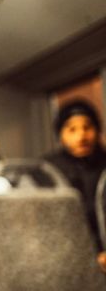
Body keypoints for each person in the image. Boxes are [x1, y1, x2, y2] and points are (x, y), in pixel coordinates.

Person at [43, 99, 106, 270]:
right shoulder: (49, 170)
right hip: (68, 259)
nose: (81, 136)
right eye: (72, 129)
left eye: (87, 127)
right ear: (60, 135)